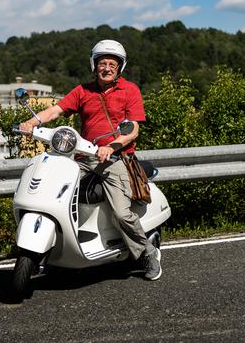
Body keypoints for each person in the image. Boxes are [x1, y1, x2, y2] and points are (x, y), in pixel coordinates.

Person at [19, 39, 161, 280]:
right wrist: (32, 122)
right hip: (82, 155)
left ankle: (146, 253)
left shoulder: (130, 91)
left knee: (121, 212)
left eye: (112, 64)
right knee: (52, 189)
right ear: (94, 66)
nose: (106, 68)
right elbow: (56, 110)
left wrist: (111, 146)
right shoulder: (83, 91)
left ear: (120, 67)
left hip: (114, 158)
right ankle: (54, 247)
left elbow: (133, 129)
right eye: (102, 63)